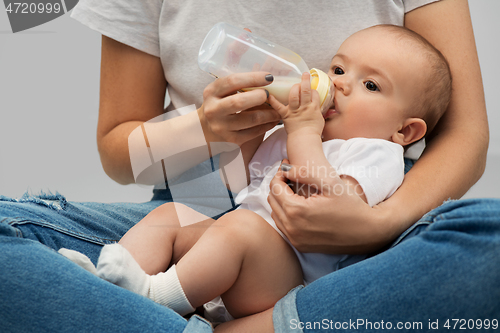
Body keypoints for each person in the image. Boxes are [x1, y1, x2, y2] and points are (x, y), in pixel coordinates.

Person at [1, 1, 497, 332]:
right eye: (341, 69)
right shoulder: (296, 131)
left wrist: (306, 134)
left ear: (405, 131)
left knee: (488, 245)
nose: (341, 84)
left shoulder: (377, 154)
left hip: (305, 264)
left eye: (371, 86)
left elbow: (319, 193)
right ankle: (110, 283)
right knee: (172, 220)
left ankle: (155, 303)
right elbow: (237, 184)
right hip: (219, 214)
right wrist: (217, 129)